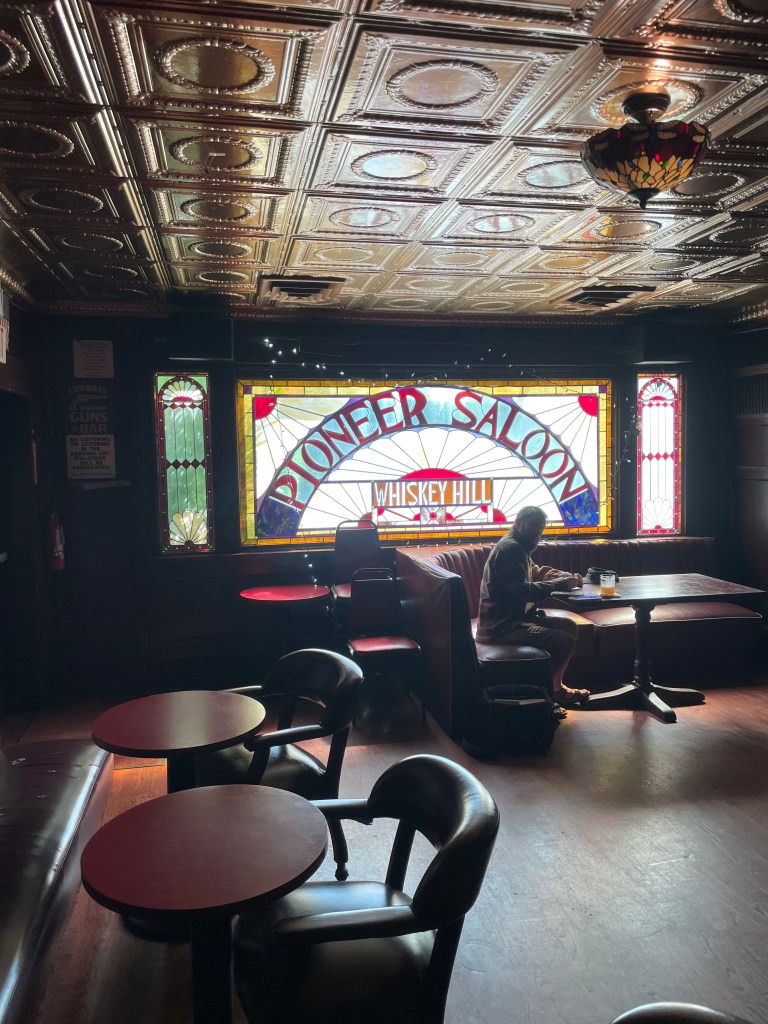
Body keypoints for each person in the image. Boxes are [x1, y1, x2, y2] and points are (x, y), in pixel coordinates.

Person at [476, 505, 590, 709]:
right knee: (562, 639)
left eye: (541, 528)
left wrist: (566, 577)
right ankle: (548, 696)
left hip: (514, 620)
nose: (538, 532)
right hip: (501, 628)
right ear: (518, 522)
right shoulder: (511, 549)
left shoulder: (518, 546)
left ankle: (556, 687)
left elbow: (535, 571)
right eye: (534, 526)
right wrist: (560, 584)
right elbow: (522, 591)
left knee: (569, 626)